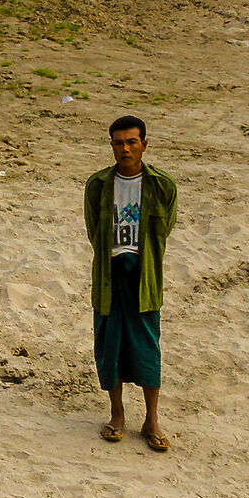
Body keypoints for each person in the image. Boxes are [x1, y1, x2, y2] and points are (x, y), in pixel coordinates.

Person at [86, 114, 179, 453]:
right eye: (118, 143)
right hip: (109, 276)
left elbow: (162, 232)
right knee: (110, 344)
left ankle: (151, 419)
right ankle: (117, 414)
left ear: (144, 144)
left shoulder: (162, 186)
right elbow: (95, 232)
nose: (124, 149)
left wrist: (142, 261)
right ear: (111, 145)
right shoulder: (97, 185)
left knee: (146, 347)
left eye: (131, 142)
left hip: (145, 277)